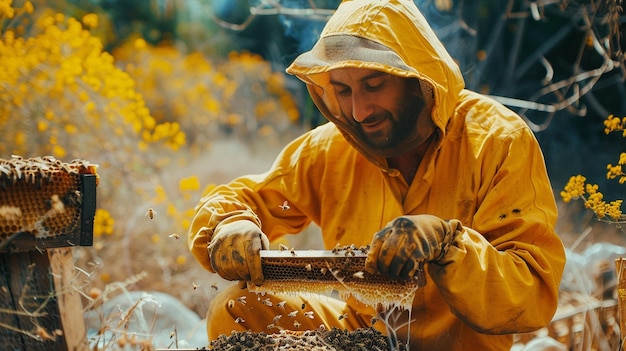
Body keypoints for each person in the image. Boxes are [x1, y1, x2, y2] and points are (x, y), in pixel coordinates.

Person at [188, 0, 566, 349]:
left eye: (374, 85)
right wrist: (230, 223)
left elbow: (530, 292)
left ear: (416, 77)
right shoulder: (330, 149)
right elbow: (244, 197)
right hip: (360, 337)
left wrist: (448, 244)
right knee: (236, 308)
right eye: (343, 90)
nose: (359, 110)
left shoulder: (498, 140)